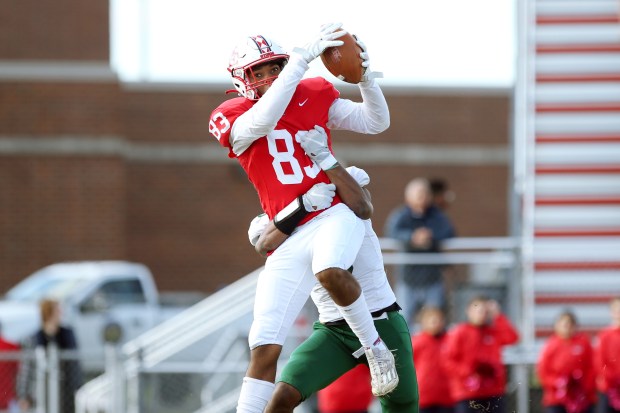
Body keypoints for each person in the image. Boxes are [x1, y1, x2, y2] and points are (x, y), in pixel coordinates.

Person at [209, 23, 397, 411]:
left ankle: (375, 348)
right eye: (258, 73)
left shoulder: (311, 93)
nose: (268, 77)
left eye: (273, 68)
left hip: (332, 212)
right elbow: (262, 121)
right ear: (242, 80)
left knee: (330, 269)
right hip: (290, 230)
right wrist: (298, 61)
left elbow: (374, 122)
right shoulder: (232, 115)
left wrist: (366, 81)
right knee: (263, 346)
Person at [248, 164, 419, 412]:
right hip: (334, 331)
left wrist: (333, 169)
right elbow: (263, 242)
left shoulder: (335, 207)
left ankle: (376, 348)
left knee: (402, 406)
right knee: (283, 394)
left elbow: (362, 202)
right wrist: (296, 210)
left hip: (380, 322)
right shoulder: (284, 233)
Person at [383, 178, 456, 329]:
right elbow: (392, 232)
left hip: (432, 278)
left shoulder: (436, 215)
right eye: (418, 194)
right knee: (403, 320)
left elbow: (448, 232)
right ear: (408, 197)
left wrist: (430, 236)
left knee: (435, 321)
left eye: (425, 194)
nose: (422, 197)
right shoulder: (401, 215)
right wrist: (412, 237)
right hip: (408, 279)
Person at [443, 296, 519, 413]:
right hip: (467, 392)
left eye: (485, 311)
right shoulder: (460, 332)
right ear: (469, 311)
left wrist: (498, 316)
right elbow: (448, 361)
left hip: (493, 391)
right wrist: (468, 372)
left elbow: (512, 337)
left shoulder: (493, 332)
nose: (481, 314)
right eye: (478, 310)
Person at [16, 299, 84, 413]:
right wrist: (23, 395)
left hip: (64, 391)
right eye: (57, 310)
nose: (61, 313)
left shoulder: (67, 335)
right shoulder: (35, 338)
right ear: (49, 314)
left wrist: (77, 389)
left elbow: (75, 366)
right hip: (41, 392)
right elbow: (27, 369)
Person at [537, 311, 596, 413]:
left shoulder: (583, 343)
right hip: (556, 398)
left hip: (581, 397)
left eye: (569, 324)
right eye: (564, 324)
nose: (567, 327)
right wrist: (558, 383)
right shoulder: (551, 345)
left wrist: (583, 385)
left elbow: (592, 366)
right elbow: (543, 371)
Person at [411, 306, 454, 413]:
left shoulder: (450, 340)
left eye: (439, 319)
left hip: (447, 396)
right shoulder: (417, 341)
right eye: (432, 320)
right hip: (423, 396)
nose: (436, 323)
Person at [595, 297, 620, 413]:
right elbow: (599, 362)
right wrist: (611, 378)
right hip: (609, 388)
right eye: (616, 310)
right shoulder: (604, 336)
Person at [0, 321, 20, 411]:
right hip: (7, 395)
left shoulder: (11, 346)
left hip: (6, 395)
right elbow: (17, 370)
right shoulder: (11, 346)